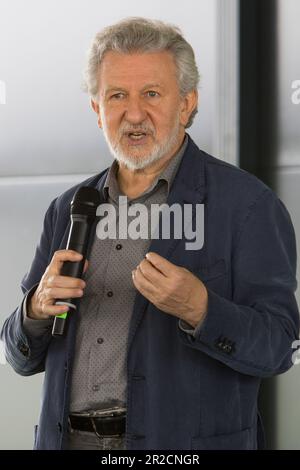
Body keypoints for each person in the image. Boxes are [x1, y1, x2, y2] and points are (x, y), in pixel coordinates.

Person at [1, 17, 299, 451]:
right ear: (97, 109)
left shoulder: (246, 206)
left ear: (187, 103)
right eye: (117, 95)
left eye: (152, 94)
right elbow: (17, 355)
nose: (134, 113)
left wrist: (201, 310)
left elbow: (280, 345)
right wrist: (35, 310)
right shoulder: (68, 208)